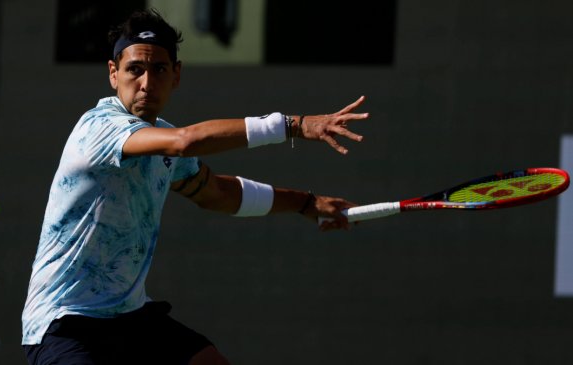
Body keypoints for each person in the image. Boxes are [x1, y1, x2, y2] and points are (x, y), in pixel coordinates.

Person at [21, 8, 369, 365]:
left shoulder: (163, 142)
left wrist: (305, 203)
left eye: (159, 70)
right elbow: (185, 141)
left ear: (176, 75)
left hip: (130, 317)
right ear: (113, 74)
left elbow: (216, 193)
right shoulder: (99, 128)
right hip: (64, 323)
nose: (146, 83)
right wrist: (294, 125)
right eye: (134, 70)